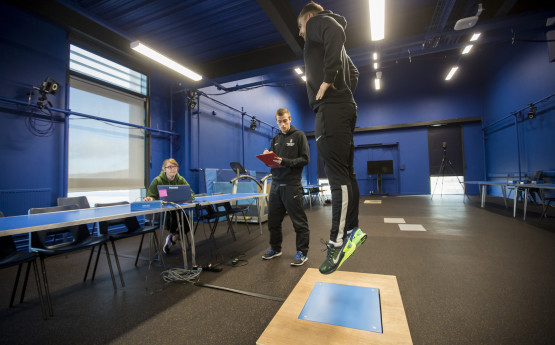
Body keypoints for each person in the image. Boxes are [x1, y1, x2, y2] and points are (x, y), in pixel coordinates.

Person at [297, 2, 367, 274]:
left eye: (301, 27)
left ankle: (337, 244)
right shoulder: (336, 50)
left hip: (331, 111)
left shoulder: (318, 22)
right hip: (343, 108)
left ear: (310, 18)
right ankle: (351, 230)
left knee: (337, 178)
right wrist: (343, 93)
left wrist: (327, 83)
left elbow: (335, 31)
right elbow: (356, 73)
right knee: (346, 173)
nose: (302, 33)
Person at [261, 108, 310, 266]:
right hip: (275, 185)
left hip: (291, 185)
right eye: (279, 121)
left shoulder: (299, 136)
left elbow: (304, 159)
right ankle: (276, 249)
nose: (282, 124)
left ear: (290, 119)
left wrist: (285, 161)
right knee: (273, 221)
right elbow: (275, 161)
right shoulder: (275, 139)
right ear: (276, 122)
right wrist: (268, 156)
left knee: (299, 222)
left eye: (285, 121)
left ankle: (302, 253)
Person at [144, 158, 195, 254]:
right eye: (170, 167)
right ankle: (174, 235)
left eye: (175, 166)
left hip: (176, 209)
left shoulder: (181, 179)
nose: (173, 169)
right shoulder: (157, 180)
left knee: (189, 222)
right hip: (162, 212)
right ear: (164, 169)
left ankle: (173, 238)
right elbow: (151, 197)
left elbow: (191, 194)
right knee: (173, 219)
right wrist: (150, 199)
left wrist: (185, 198)